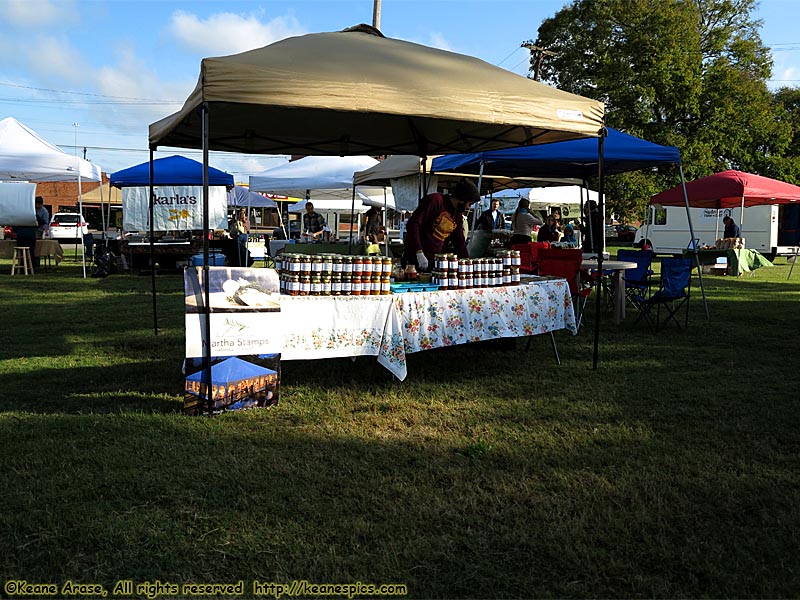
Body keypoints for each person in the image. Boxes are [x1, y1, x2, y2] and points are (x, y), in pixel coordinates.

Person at [403, 178, 481, 271]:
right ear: (462, 200)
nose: (469, 207)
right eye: (469, 203)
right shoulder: (435, 201)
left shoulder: (457, 215)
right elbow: (413, 224)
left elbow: (459, 241)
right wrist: (419, 252)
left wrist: (467, 262)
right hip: (415, 258)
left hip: (435, 260)